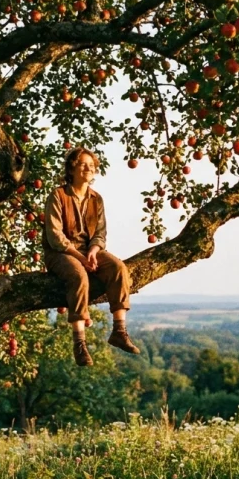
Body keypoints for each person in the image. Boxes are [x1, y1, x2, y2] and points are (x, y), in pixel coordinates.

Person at [42, 147, 141, 366]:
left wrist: (94, 252)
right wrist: (81, 257)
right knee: (78, 276)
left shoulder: (97, 199)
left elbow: (100, 234)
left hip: (89, 251)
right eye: (83, 164)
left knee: (118, 268)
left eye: (91, 164)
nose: (89, 168)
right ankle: (79, 343)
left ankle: (119, 331)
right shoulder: (58, 196)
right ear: (72, 168)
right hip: (61, 252)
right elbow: (55, 236)